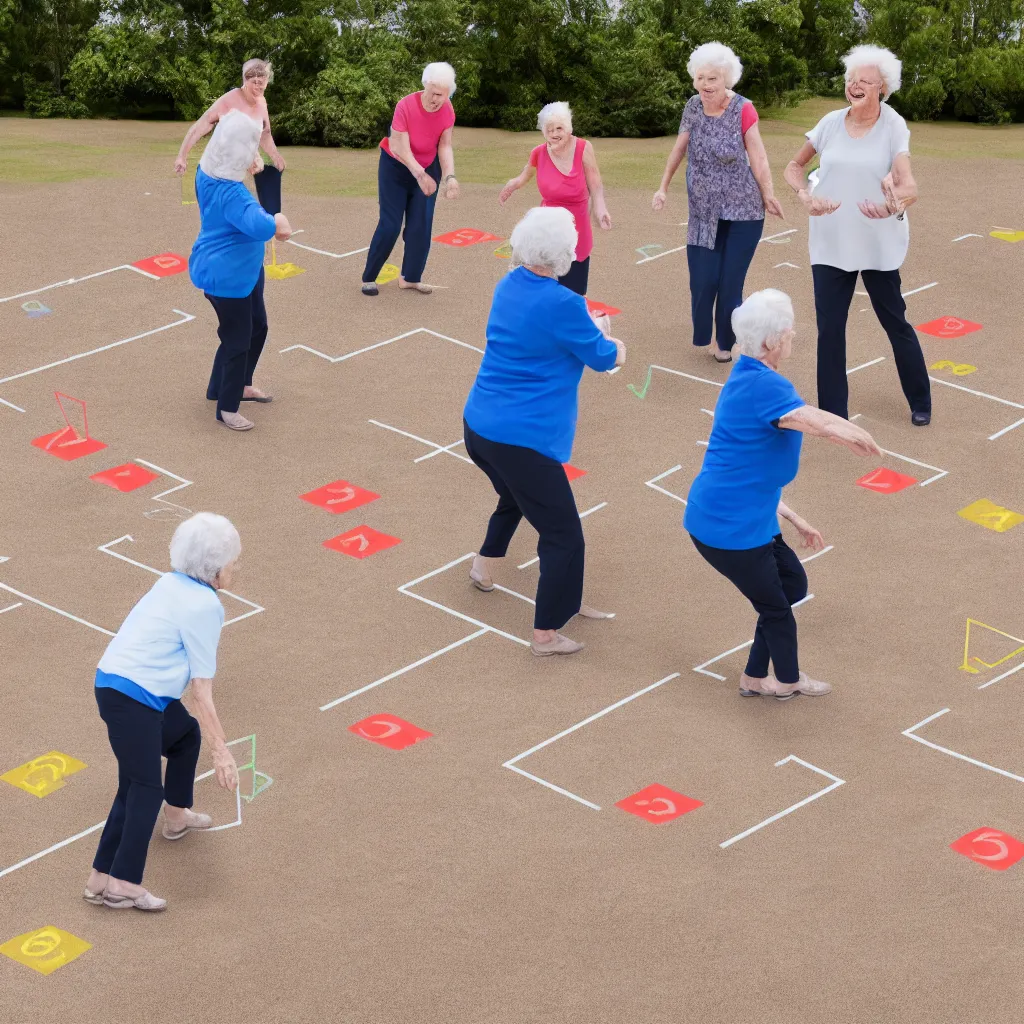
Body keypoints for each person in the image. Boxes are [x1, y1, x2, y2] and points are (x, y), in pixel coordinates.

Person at [684, 289, 882, 699]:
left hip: (748, 514)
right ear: (773, 342)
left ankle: (754, 677)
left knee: (790, 585)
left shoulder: (753, 378)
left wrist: (795, 519)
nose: (793, 337)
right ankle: (787, 681)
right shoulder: (764, 386)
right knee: (776, 608)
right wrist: (848, 434)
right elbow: (805, 418)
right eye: (789, 333)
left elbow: (753, 474)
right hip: (727, 527)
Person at [463, 207, 625, 656]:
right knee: (564, 535)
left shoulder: (508, 284)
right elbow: (604, 358)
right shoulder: (566, 303)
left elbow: (546, 335)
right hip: (522, 440)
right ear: (562, 254)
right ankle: (546, 632)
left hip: (479, 427)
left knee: (514, 496)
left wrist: (590, 334)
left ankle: (483, 566)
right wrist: (613, 341)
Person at [83, 514, 241, 912]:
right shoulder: (206, 606)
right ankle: (121, 884)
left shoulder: (170, 581)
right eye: (232, 561)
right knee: (141, 787)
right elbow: (201, 689)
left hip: (124, 687)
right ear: (215, 569)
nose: (235, 568)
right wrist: (221, 751)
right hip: (132, 699)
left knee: (184, 735)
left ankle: (175, 816)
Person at [784, 45, 931, 425]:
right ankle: (834, 414)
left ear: (883, 87)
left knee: (894, 321)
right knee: (830, 330)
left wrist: (895, 201)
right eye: (852, 79)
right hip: (831, 241)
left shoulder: (893, 125)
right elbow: (794, 166)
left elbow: (908, 182)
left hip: (878, 242)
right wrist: (804, 195)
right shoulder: (831, 122)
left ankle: (920, 401)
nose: (855, 85)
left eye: (865, 80)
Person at [652, 42, 783, 362]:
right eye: (701, 78)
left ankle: (724, 342)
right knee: (703, 278)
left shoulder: (744, 108)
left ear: (727, 78)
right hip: (703, 210)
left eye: (713, 78)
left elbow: (759, 156)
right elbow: (679, 149)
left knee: (730, 282)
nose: (706, 84)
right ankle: (704, 333)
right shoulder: (693, 107)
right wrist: (663, 186)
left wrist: (768, 193)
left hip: (744, 209)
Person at [189, 111, 292, 432]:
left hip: (243, 271)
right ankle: (227, 408)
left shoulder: (207, 173)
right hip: (227, 278)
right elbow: (264, 227)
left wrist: (248, 163)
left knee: (257, 327)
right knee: (237, 340)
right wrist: (279, 220)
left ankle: (227, 386)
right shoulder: (233, 195)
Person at [361, 62, 460, 297]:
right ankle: (369, 277)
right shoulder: (405, 105)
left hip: (428, 167)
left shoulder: (448, 111)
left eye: (443, 96)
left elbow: (445, 146)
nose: (437, 99)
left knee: (420, 226)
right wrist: (419, 174)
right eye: (434, 93)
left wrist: (450, 177)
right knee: (391, 224)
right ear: (425, 85)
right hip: (395, 167)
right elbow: (399, 147)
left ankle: (410, 278)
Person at [498, 102, 612, 296]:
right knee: (545, 289)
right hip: (547, 229)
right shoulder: (538, 153)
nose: (554, 133)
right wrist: (512, 184)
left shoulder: (583, 148)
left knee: (574, 292)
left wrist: (601, 210)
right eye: (549, 130)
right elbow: (524, 176)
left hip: (577, 228)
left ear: (568, 128)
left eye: (559, 128)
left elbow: (596, 185)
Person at [174, 59, 286, 177]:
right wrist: (182, 156)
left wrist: (275, 157)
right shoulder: (230, 100)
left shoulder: (261, 103)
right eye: (255, 83)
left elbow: (265, 133)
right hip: (211, 176)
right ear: (245, 81)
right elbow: (203, 124)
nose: (259, 88)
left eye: (262, 84)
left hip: (233, 180)